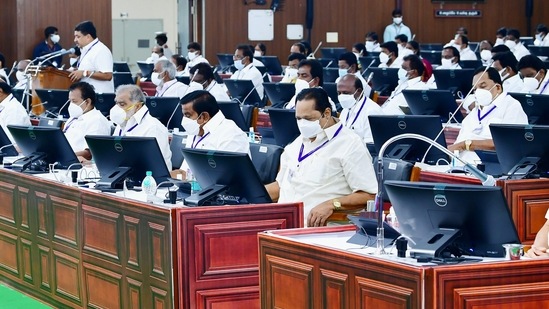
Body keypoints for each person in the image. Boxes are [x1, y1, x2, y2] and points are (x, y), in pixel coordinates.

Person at [266, 88, 377, 227]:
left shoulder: (350, 144)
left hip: (317, 230)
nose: (302, 123)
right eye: (298, 118)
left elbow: (369, 196)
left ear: (326, 113)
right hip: (281, 224)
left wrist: (332, 204)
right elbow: (281, 186)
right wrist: (251, 195)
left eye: (308, 118)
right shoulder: (297, 143)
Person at [448, 67, 528, 163]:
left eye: (482, 86)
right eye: (475, 89)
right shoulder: (475, 111)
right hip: (460, 167)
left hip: (492, 169)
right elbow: (456, 146)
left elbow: (508, 143)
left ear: (498, 88)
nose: (478, 92)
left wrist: (466, 144)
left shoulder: (511, 106)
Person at [171, 90, 249, 178]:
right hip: (194, 188)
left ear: (204, 117)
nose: (184, 120)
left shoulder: (231, 134)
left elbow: (228, 178)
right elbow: (185, 172)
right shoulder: (195, 130)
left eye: (188, 115)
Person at [110, 84, 172, 170]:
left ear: (137, 106)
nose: (117, 108)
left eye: (122, 104)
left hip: (150, 179)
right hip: (123, 174)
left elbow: (154, 163)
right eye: (116, 103)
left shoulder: (153, 127)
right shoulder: (122, 122)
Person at [63, 82, 111, 161]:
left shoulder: (97, 121)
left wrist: (64, 156)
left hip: (80, 165)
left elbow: (90, 153)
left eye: (74, 101)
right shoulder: (73, 118)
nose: (71, 105)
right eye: (70, 101)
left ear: (88, 102)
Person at [69, 20, 114, 93]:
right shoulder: (85, 50)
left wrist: (84, 73)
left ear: (88, 37)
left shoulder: (101, 50)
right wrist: (76, 72)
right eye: (75, 37)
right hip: (88, 96)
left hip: (100, 97)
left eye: (78, 37)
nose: (75, 40)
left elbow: (108, 75)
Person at [337, 74, 383, 144]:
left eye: (345, 93)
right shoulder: (346, 108)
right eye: (339, 93)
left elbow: (370, 145)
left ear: (359, 92)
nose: (341, 96)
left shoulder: (371, 112)